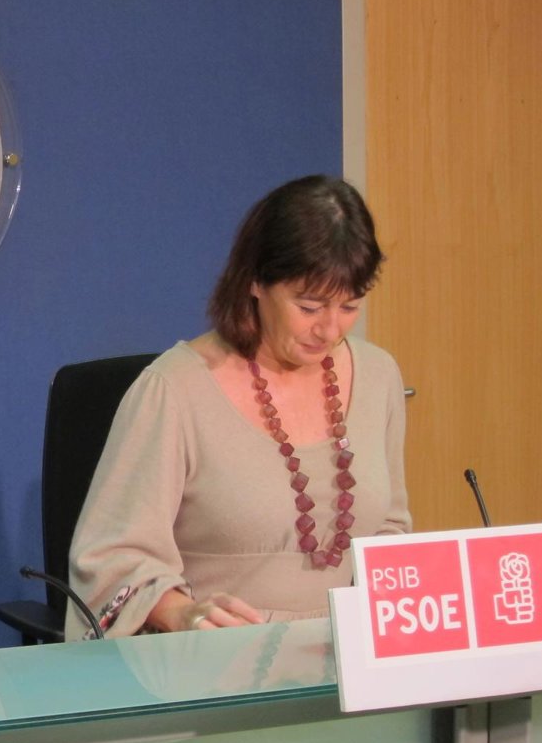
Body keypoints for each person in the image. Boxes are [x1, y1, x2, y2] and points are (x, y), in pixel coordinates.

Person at [66, 175, 410, 640]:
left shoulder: (378, 375)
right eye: (310, 307)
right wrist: (181, 613)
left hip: (349, 653)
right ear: (256, 282)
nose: (330, 330)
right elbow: (112, 560)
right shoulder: (174, 390)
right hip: (216, 656)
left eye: (349, 306)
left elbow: (390, 529)